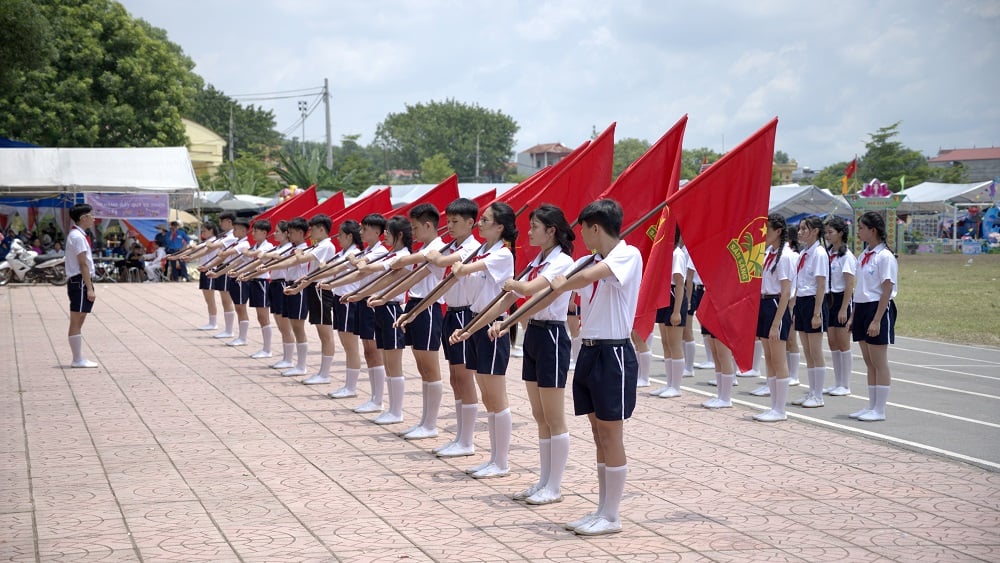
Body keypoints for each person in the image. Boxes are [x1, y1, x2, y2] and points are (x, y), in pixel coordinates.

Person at [548, 199, 642, 536]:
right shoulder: (591, 258)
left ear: (595, 227)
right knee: (597, 434)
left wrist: (564, 280)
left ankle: (612, 515)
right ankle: (602, 509)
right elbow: (578, 275)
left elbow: (592, 276)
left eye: (584, 229)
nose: (582, 236)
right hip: (587, 350)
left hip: (613, 353)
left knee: (611, 433)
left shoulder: (626, 255)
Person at [485, 204, 576, 504]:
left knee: (553, 415)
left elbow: (531, 290)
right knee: (539, 415)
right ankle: (544, 480)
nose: (529, 232)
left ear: (551, 230)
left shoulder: (562, 262)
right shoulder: (537, 260)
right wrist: (490, 323)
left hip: (552, 334)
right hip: (533, 334)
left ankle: (555, 486)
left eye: (535, 226)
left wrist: (515, 287)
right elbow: (510, 297)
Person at [400, 199, 481, 456]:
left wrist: (435, 255)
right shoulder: (451, 246)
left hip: (467, 315)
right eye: (449, 221)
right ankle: (459, 437)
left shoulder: (474, 248)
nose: (450, 226)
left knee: (465, 379)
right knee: (456, 378)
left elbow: (446, 261)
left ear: (471, 223)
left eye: (456, 222)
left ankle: (466, 441)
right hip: (452, 315)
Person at [447, 201, 517, 479]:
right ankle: (493, 458)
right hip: (476, 322)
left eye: (486, 220)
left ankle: (501, 461)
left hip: (492, 326)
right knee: (487, 394)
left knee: (496, 395)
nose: (480, 224)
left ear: (500, 227)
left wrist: (457, 264)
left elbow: (466, 269)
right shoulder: (484, 250)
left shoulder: (502, 254)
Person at [369, 204, 448, 440]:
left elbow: (418, 262)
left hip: (429, 306)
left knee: (430, 367)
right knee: (422, 367)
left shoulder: (437, 247)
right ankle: (424, 421)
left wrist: (398, 262)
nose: (412, 232)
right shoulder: (425, 248)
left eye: (415, 227)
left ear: (428, 225)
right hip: (415, 304)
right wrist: (380, 294)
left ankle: (431, 424)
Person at [343, 216, 413, 422]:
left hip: (390, 307)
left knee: (392, 362)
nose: (385, 237)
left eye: (388, 233)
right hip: (378, 304)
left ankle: (395, 410)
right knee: (378, 356)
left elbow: (367, 269)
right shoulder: (392, 253)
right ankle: (382, 403)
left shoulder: (403, 255)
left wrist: (359, 264)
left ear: (399, 235)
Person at [320, 214, 388, 412]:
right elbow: (350, 269)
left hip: (371, 302)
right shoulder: (367, 250)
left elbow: (360, 270)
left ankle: (376, 398)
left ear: (377, 232)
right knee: (367, 350)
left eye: (365, 229)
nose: (362, 232)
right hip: (359, 300)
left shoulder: (381, 251)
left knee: (371, 351)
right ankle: (372, 397)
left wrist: (335, 281)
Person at [847, 211, 898, 422]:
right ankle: (871, 405)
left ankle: (880, 409)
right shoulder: (863, 255)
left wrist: (877, 319)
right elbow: (861, 288)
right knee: (868, 361)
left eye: (861, 228)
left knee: (879, 361)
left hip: (878, 308)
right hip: (862, 307)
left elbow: (886, 290)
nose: (858, 232)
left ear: (872, 230)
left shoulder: (885, 256)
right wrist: (853, 316)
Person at [282, 215, 339, 383]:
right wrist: (299, 287)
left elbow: (302, 258)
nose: (310, 232)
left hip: (322, 290)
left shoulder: (325, 245)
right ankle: (322, 372)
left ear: (321, 229)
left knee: (325, 333)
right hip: (314, 288)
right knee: (323, 333)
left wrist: (299, 252)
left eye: (313, 229)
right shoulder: (319, 245)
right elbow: (311, 273)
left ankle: (325, 373)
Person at [753, 214, 794, 422]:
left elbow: (786, 291)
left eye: (766, 230)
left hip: (776, 305)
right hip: (764, 304)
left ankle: (780, 409)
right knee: (768, 358)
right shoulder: (768, 253)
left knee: (778, 359)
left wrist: (776, 323)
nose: (763, 234)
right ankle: (773, 406)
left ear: (778, 231)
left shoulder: (785, 256)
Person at [790, 216, 830, 408]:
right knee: (807, 350)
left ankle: (818, 395)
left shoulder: (820, 253)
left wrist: (816, 313)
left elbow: (821, 284)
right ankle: (811, 392)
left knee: (815, 350)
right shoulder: (804, 253)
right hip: (803, 301)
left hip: (814, 301)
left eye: (804, 228)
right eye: (799, 228)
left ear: (815, 231)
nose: (800, 232)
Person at [651, 226, 688, 398]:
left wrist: (677, 311)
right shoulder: (667, 253)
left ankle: (676, 386)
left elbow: (680, 284)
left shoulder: (677, 254)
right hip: (664, 295)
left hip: (674, 297)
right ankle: (669, 384)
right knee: (666, 344)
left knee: (674, 345)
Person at [204, 218, 253, 347]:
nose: (234, 231)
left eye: (236, 229)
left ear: (243, 230)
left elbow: (227, 254)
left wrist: (221, 252)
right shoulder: (237, 243)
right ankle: (237, 335)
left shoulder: (244, 244)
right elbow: (231, 262)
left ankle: (242, 337)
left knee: (241, 307)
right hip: (233, 276)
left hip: (241, 278)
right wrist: (217, 272)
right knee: (238, 307)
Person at [823, 217, 857, 397]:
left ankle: (845, 384)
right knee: (832, 342)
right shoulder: (828, 254)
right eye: (826, 232)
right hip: (829, 299)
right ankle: (837, 383)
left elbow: (849, 285)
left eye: (831, 232)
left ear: (841, 233)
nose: (827, 236)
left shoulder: (847, 256)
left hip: (841, 299)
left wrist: (844, 308)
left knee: (843, 343)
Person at [66, 204, 99, 368]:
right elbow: (83, 264)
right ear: (82, 218)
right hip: (79, 281)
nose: (93, 218)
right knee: (76, 320)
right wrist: (90, 288)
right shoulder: (77, 237)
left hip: (81, 280)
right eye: (90, 215)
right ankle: (77, 359)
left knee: (79, 319)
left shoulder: (79, 235)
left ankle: (78, 358)